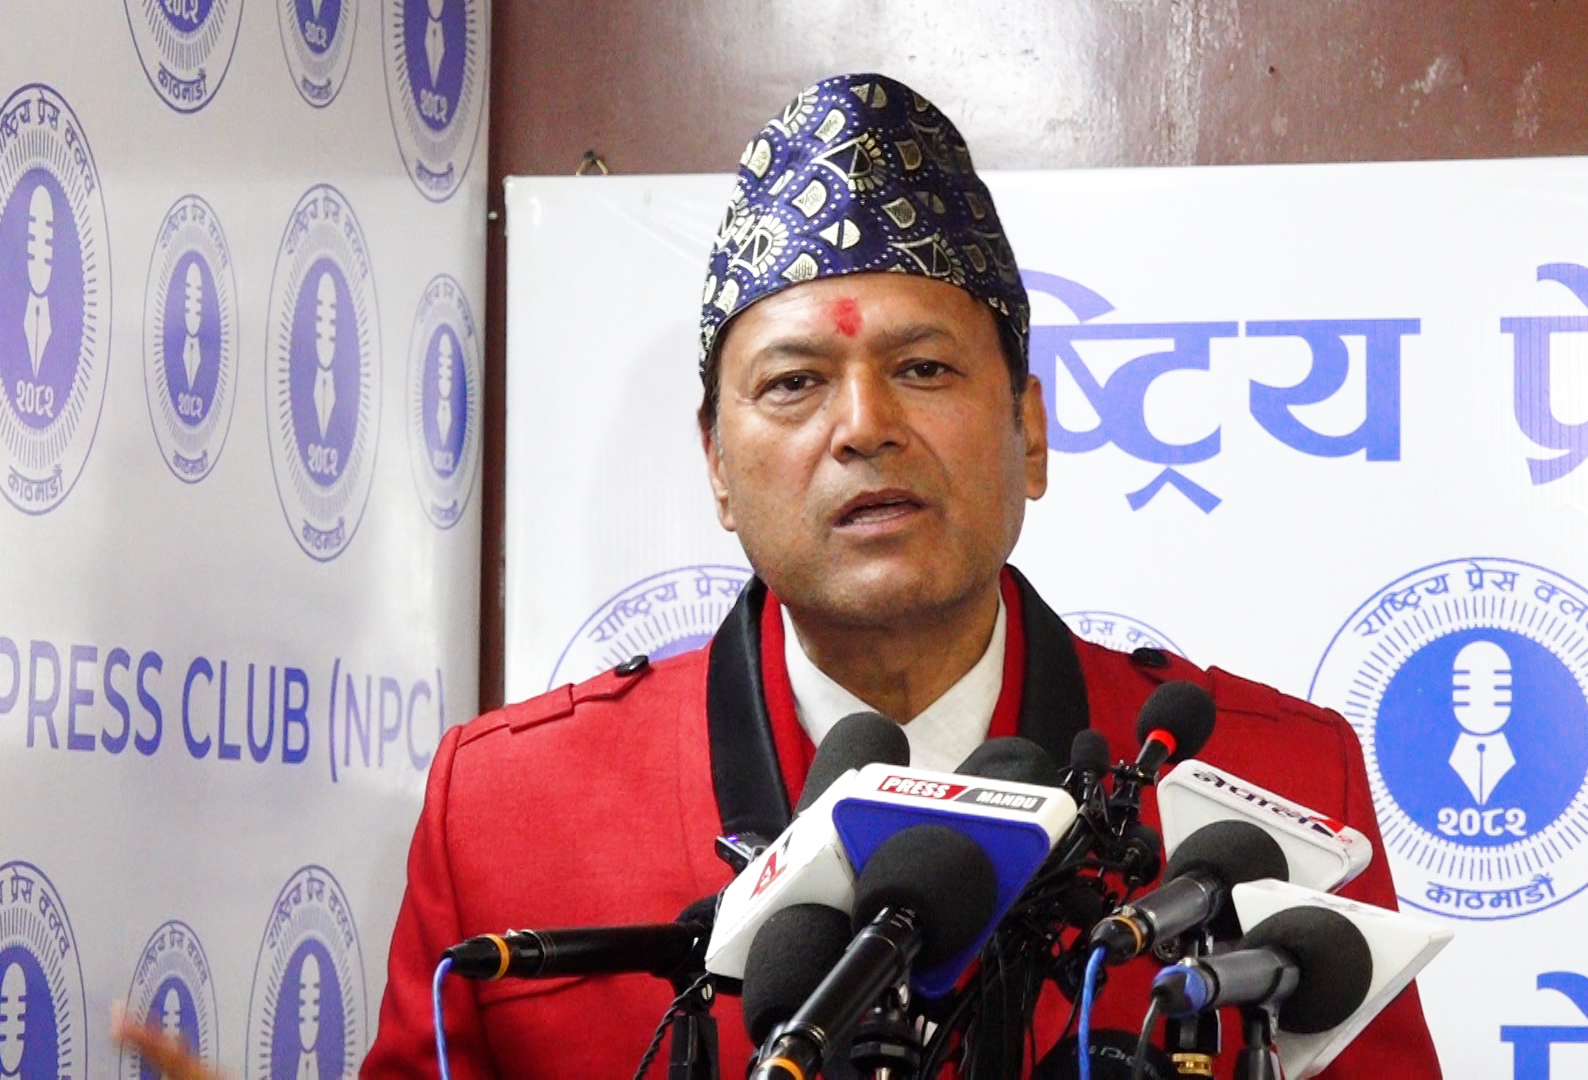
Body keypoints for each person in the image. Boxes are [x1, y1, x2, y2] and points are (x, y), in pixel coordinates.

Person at [121, 73, 1443, 1078]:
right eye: (795, 383)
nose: (864, 425)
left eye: (924, 369)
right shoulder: (510, 810)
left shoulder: (1273, 786)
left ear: (1030, 433)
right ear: (716, 464)